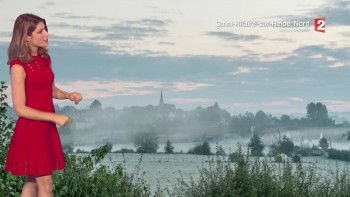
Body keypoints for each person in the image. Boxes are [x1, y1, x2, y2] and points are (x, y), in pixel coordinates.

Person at [5, 13, 82, 197]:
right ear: (27, 36)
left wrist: (68, 95)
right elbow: (20, 109)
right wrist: (54, 117)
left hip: (46, 130)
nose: (46, 34)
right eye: (41, 31)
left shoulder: (45, 59)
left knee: (32, 182)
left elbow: (51, 90)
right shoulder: (18, 67)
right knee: (46, 184)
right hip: (31, 131)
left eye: (46, 29)